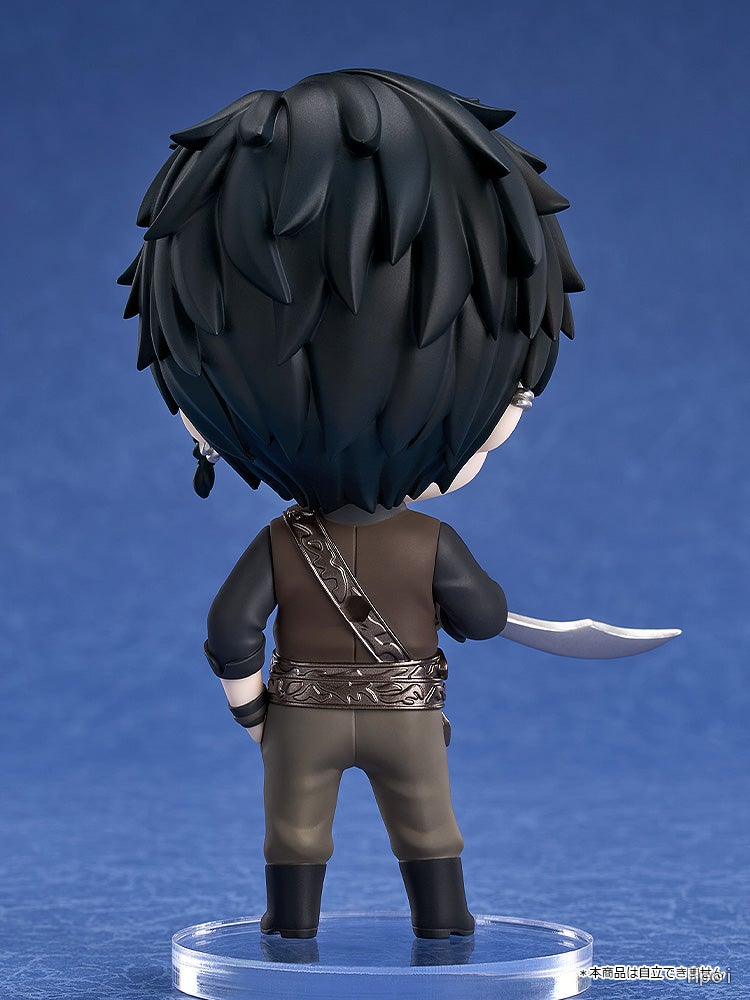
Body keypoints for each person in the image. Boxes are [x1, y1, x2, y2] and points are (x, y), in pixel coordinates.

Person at [119, 68, 584, 939]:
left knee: (295, 836)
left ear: (199, 412)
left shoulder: (277, 543)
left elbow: (230, 630)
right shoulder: (432, 541)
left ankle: (289, 934)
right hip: (405, 714)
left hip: (301, 716)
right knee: (429, 830)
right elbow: (483, 618)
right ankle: (444, 929)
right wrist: (480, 615)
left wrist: (252, 713)